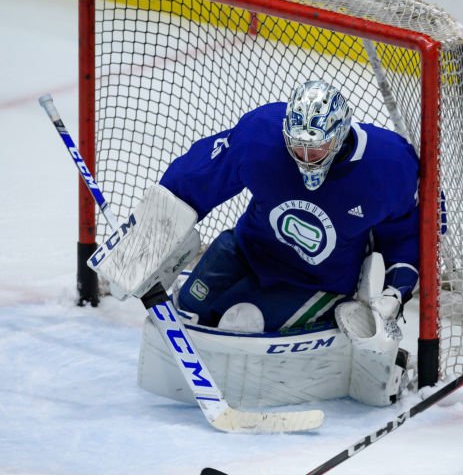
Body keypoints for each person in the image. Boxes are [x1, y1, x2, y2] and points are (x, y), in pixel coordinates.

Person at [93, 80, 420, 407]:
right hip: (247, 250)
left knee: (243, 325)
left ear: (340, 135)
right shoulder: (261, 136)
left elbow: (408, 234)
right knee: (188, 311)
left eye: (316, 148)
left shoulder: (388, 165)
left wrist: (396, 291)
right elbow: (195, 177)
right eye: (296, 146)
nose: (305, 157)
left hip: (316, 282)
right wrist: (144, 242)